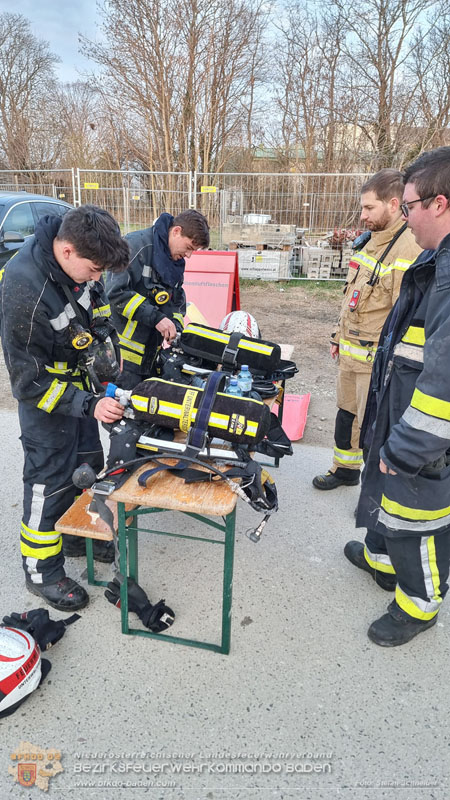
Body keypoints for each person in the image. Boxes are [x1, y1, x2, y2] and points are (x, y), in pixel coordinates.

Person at [0, 205, 129, 612]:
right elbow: (28, 382)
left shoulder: (85, 264)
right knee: (49, 482)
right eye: (93, 269)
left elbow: (99, 304)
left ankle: (74, 535)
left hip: (81, 392)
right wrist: (88, 403)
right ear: (67, 251)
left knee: (87, 465)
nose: (97, 277)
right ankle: (41, 571)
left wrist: (106, 343)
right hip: (46, 401)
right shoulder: (25, 289)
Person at [346, 146, 450, 646]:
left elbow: (444, 382)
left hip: (426, 432)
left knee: (419, 512)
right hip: (399, 400)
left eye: (409, 207)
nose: (405, 218)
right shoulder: (436, 259)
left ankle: (418, 604)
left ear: (440, 204)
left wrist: (408, 446)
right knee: (385, 494)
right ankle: (379, 558)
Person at [313, 170, 422, 490]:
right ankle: (345, 470)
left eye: (369, 208)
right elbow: (354, 295)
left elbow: (407, 316)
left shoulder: (409, 249)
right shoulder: (372, 241)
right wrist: (338, 335)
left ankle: (378, 491)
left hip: (376, 362)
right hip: (351, 354)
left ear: (393, 204)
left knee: (376, 426)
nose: (362, 216)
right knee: (346, 416)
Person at [107, 210, 210, 390]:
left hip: (151, 355)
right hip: (124, 357)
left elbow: (176, 301)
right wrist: (157, 319)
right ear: (176, 231)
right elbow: (116, 293)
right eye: (188, 247)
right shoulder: (134, 245)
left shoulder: (174, 262)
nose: (189, 255)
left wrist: (176, 329)